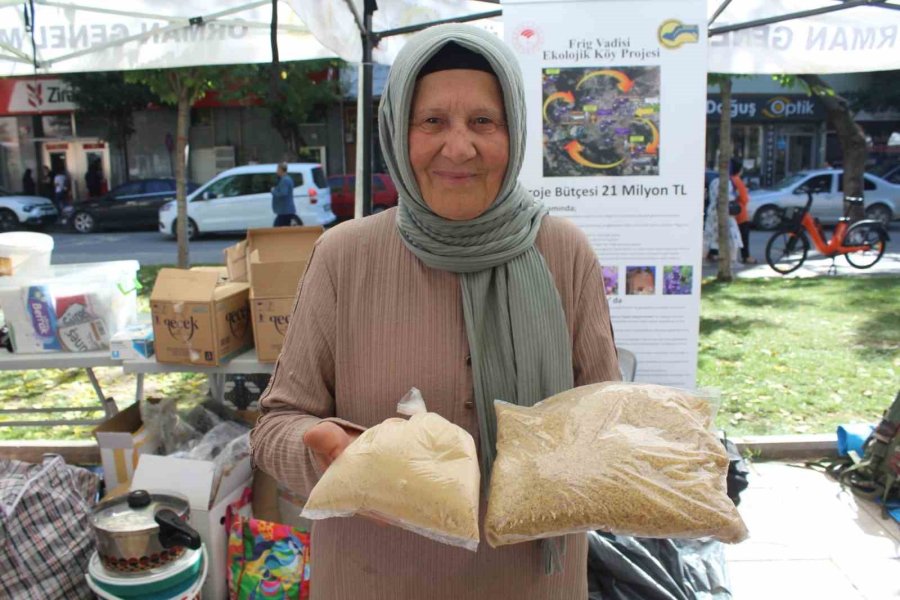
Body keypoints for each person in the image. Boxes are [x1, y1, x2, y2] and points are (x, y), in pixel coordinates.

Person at [250, 24, 620, 599]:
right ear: (399, 133)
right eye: (432, 122)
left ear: (514, 130)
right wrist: (326, 451)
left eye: (482, 122)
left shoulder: (563, 252)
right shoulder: (343, 256)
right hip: (375, 580)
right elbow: (274, 425)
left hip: (527, 582)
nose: (458, 148)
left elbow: (605, 416)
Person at [703, 162, 742, 263]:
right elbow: (727, 197)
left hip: (713, 212)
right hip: (724, 213)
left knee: (709, 236)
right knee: (733, 236)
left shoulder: (713, 181)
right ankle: (732, 260)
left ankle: (703, 258)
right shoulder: (726, 182)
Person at [731, 158, 757, 264]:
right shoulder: (737, 180)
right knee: (743, 235)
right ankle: (746, 256)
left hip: (730, 212)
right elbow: (744, 198)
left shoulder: (727, 179)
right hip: (740, 213)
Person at [270, 162, 297, 226]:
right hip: (285, 211)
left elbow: (283, 193)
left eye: (277, 169)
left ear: (281, 170)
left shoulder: (285, 180)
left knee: (278, 229)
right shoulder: (286, 179)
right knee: (282, 228)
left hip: (285, 211)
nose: (276, 171)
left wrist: (273, 191)